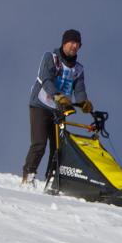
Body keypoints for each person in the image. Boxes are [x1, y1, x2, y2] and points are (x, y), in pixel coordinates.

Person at [21, 29, 94, 186]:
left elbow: (79, 89)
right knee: (39, 143)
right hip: (40, 105)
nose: (74, 46)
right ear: (64, 43)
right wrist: (56, 94)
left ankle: (52, 179)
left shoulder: (78, 69)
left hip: (59, 109)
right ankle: (28, 175)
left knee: (58, 148)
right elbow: (45, 79)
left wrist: (84, 103)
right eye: (72, 42)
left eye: (77, 44)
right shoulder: (51, 58)